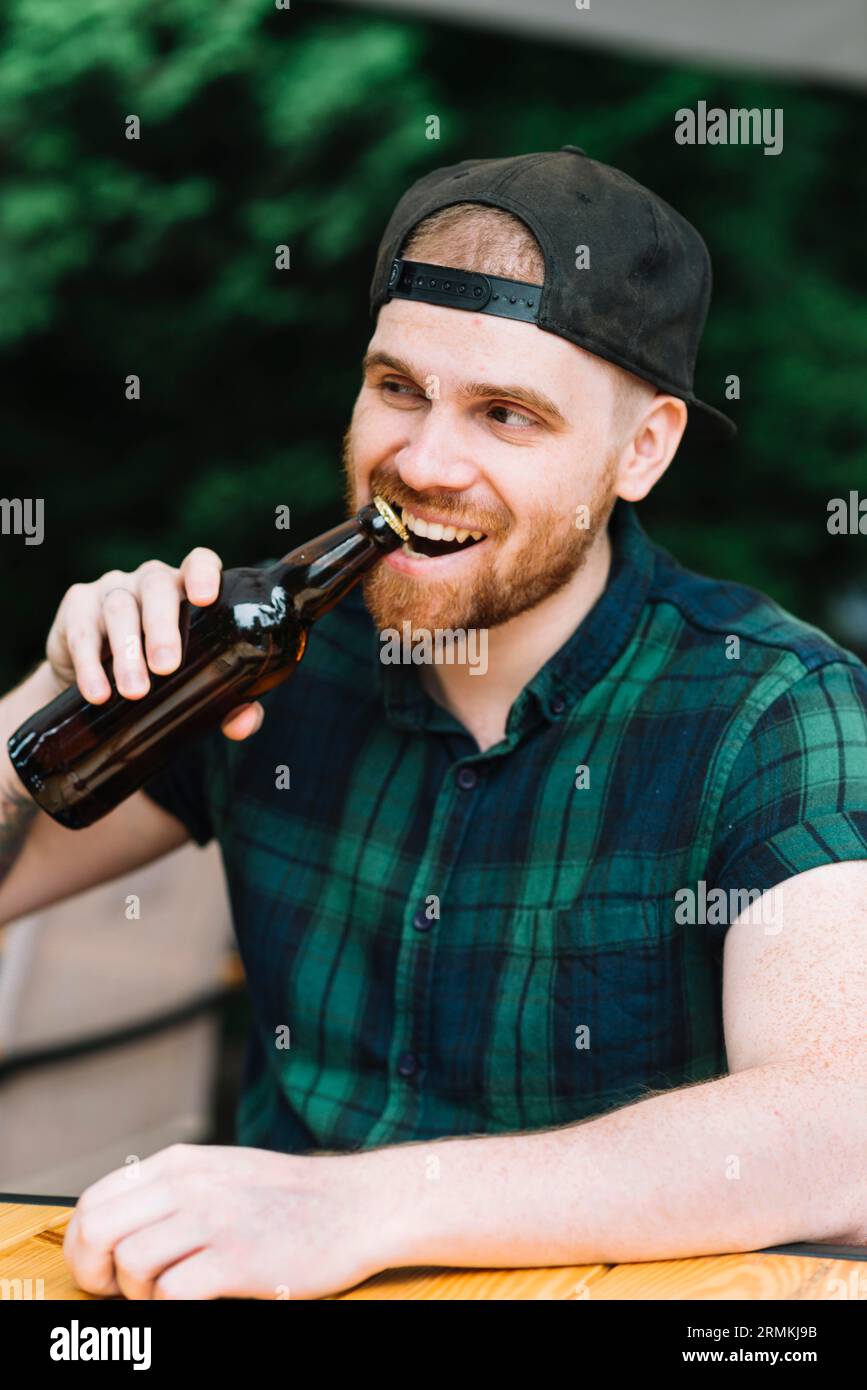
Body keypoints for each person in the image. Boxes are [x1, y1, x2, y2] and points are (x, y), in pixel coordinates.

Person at [1, 148, 866, 1300]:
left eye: (507, 414)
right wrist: (45, 698)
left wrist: (354, 1206)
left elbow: (837, 1128)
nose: (422, 462)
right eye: (398, 388)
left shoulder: (771, 706)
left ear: (643, 449)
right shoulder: (271, 657)